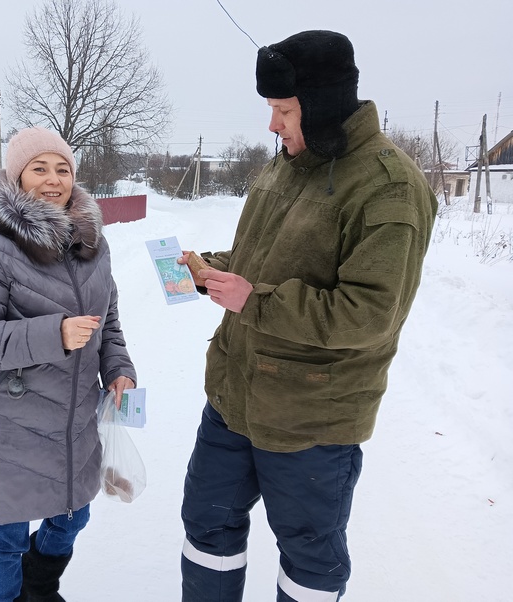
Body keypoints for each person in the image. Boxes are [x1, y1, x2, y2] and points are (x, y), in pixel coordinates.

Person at [178, 30, 438, 601]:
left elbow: (369, 313)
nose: (273, 124)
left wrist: (256, 300)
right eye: (272, 109)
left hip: (309, 420)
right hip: (232, 398)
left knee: (309, 555)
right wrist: (210, 269)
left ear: (321, 105)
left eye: (283, 110)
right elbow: (259, 264)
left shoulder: (388, 187)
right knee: (206, 526)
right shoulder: (287, 165)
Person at [0, 127, 137, 602]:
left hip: (71, 415)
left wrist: (118, 368)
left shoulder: (93, 244)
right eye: (39, 168)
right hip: (5, 422)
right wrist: (54, 335)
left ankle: (39, 587)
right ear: (16, 176)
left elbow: (107, 320)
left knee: (74, 514)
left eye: (63, 168)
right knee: (6, 539)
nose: (54, 180)